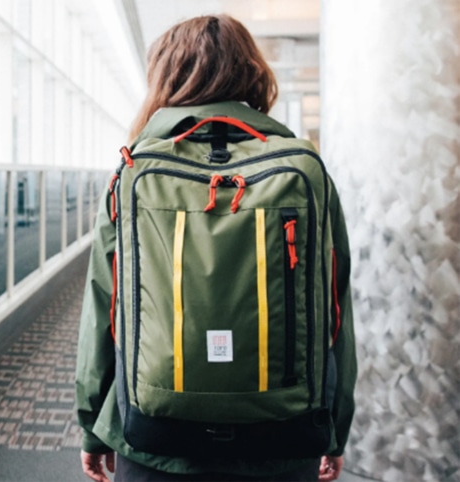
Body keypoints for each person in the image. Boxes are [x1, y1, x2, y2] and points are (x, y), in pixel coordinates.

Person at [75, 14, 356, 482]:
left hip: (154, 441)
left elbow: (105, 306)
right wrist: (334, 427)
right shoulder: (304, 170)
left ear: (165, 76)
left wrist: (93, 426)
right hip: (283, 438)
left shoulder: (135, 172)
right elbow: (334, 310)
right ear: (252, 72)